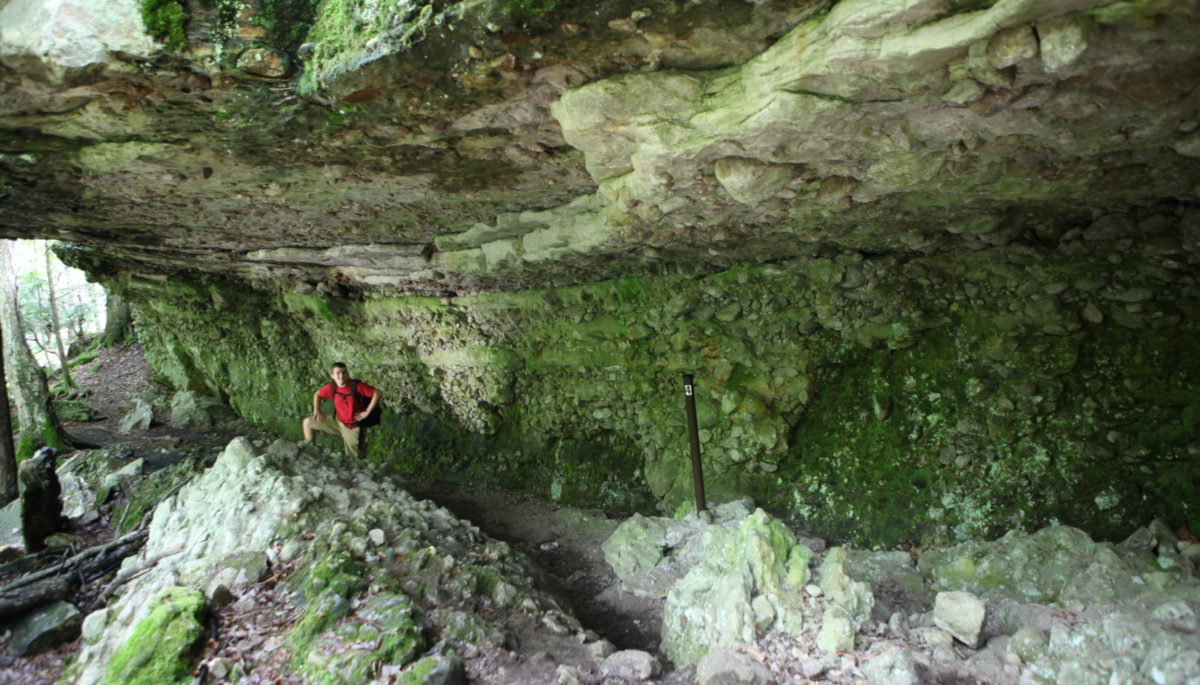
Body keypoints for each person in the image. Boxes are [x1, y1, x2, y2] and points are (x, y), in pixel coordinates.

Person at [302, 362, 381, 458]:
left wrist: (367, 412)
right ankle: (310, 454)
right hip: (338, 422)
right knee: (308, 423)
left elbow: (377, 393)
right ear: (332, 375)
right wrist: (317, 409)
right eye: (338, 373)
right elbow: (317, 394)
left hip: (353, 427)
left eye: (344, 372)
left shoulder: (357, 386)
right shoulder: (333, 387)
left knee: (353, 458)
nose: (341, 376)